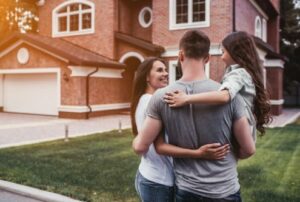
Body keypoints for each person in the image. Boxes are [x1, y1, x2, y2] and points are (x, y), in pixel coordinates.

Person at [132, 30, 255, 202]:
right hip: (225, 190)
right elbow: (248, 149)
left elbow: (146, 146)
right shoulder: (232, 97)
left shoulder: (161, 97)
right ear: (207, 58)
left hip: (187, 191)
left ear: (180, 55)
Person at [131, 57, 230, 202]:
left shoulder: (145, 99)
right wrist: (198, 153)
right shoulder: (151, 102)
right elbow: (157, 147)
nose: (165, 73)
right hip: (158, 182)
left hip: (150, 176)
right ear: (146, 76)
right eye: (159, 70)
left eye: (165, 69)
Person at [164, 31, 272, 141]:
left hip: (242, 131)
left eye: (223, 52)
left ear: (236, 53)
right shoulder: (241, 73)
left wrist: (186, 98)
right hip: (245, 130)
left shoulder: (239, 74)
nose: (221, 57)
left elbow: (225, 96)